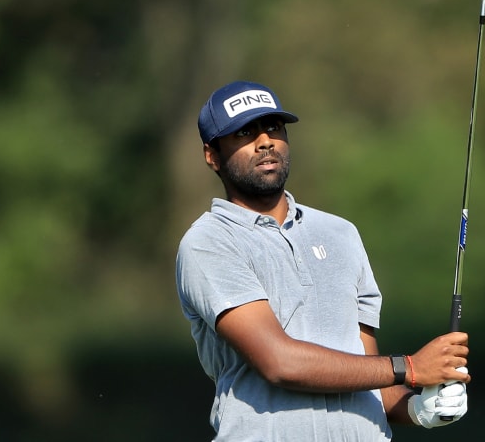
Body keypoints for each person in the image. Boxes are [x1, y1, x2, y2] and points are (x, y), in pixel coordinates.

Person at [175, 80, 470, 441]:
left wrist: (418, 408)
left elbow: (368, 372)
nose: (265, 140)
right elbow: (279, 363)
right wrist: (410, 368)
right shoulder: (209, 242)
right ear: (212, 155)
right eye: (245, 133)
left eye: (274, 127)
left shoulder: (341, 233)